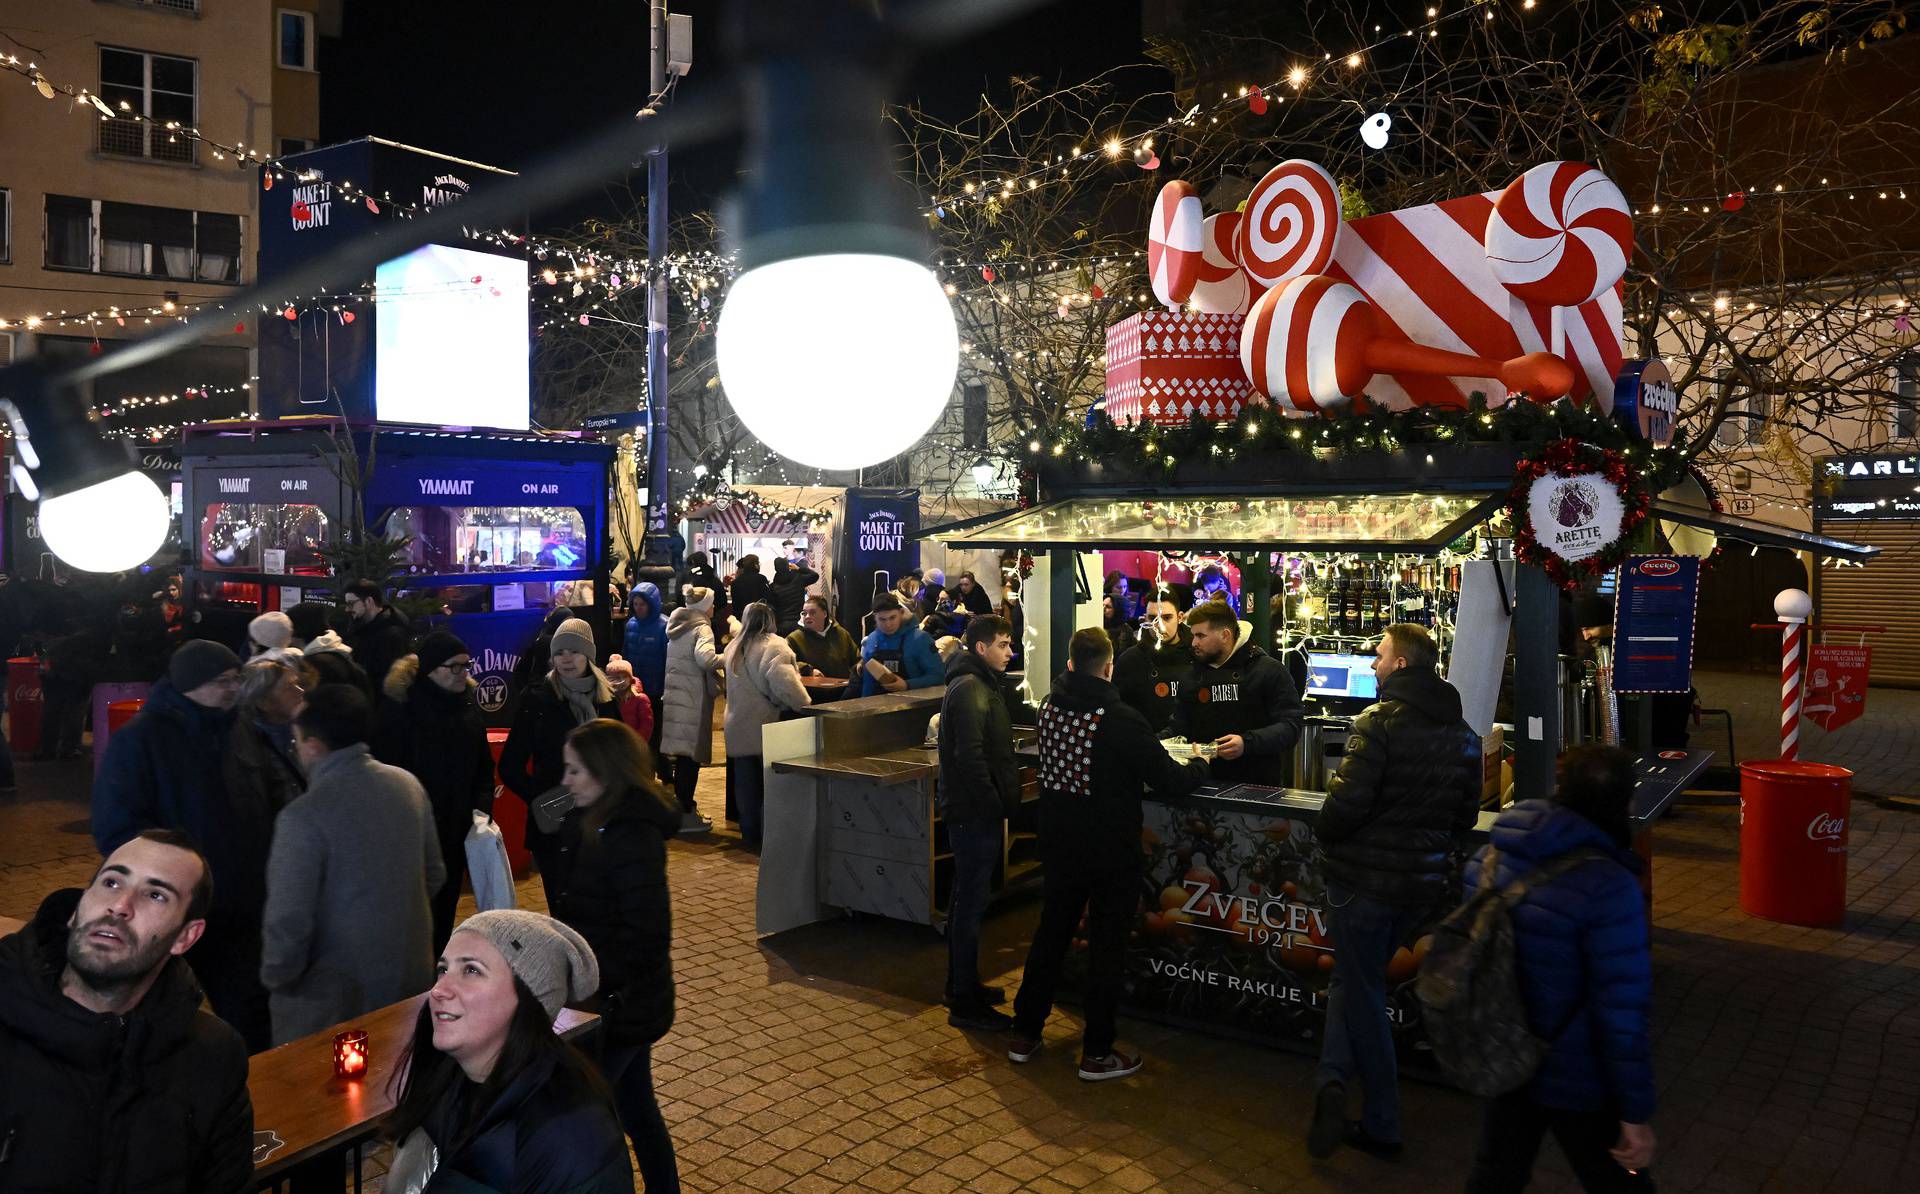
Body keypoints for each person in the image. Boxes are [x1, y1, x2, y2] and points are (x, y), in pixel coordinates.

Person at [1309, 623, 1482, 1161]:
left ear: (1402, 665)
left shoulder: (1377, 723)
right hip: (1418, 888)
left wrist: (1330, 833)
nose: (1373, 664)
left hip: (1362, 882)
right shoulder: (1465, 734)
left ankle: (1382, 1121)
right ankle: (1332, 1083)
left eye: (1380, 656)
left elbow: (1344, 807)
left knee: (1361, 995)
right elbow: (1464, 816)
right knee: (1356, 984)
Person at [0, 831, 254, 1193]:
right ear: (77, 909)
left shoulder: (211, 1056)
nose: (120, 905)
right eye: (112, 881)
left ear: (186, 936)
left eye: (155, 895)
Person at [1009, 628, 1209, 1080]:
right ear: (1109, 666)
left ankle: (1025, 1031)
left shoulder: (1049, 706)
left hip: (1059, 843)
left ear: (1069, 663)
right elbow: (1168, 779)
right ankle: (1097, 1051)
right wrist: (1200, 764)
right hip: (1108, 849)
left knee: (1050, 935)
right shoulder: (1119, 716)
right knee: (1106, 947)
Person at [1463, 746, 1656, 1193]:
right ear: (1622, 804)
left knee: (1496, 1173)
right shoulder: (1609, 887)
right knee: (1618, 1181)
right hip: (1576, 1071)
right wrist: (1635, 1112)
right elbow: (1622, 1012)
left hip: (1504, 1048)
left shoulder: (1488, 860)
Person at [92, 639, 275, 1050]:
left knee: (251, 1011)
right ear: (190, 685)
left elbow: (266, 795)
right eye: (223, 682)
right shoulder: (141, 739)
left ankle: (257, 1088)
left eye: (237, 679)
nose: (233, 689)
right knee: (160, 1011)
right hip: (172, 908)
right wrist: (166, 881)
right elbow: (115, 827)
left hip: (241, 903)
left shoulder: (240, 728)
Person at [381, 910, 633, 1193]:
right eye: (443, 969)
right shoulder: (446, 1080)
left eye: (472, 970)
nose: (439, 989)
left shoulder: (573, 1136)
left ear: (529, 1000)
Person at [261, 684, 444, 1044]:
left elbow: (289, 919)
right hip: (409, 975)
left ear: (313, 744)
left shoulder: (303, 817)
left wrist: (276, 976)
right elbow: (435, 873)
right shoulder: (407, 785)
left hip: (331, 998)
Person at [550, 721, 683, 1190]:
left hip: (622, 1005)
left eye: (574, 771)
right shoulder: (594, 816)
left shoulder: (630, 835)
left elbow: (647, 934)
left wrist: (596, 982)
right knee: (635, 1108)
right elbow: (542, 814)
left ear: (605, 774)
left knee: (590, 1117)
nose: (564, 781)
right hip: (611, 1000)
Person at [374, 631, 498, 956]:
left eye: (466, 666)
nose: (464, 673)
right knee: (416, 918)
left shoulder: (468, 707)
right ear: (431, 669)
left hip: (457, 831)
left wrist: (482, 810)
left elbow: (484, 766)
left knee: (445, 912)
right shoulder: (401, 712)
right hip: (415, 834)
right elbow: (389, 774)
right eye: (454, 667)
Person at [937, 614, 1023, 1030]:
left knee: (966, 902)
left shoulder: (979, 684)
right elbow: (970, 757)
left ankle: (961, 985)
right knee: (969, 906)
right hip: (973, 814)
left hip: (975, 811)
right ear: (982, 648)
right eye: (1004, 644)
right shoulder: (970, 688)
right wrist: (993, 804)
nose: (1011, 652)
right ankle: (965, 1002)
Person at [500, 618, 622, 900]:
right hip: (555, 827)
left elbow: (618, 758)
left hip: (599, 819)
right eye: (559, 652)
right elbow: (510, 765)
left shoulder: (606, 700)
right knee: (563, 905)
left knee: (599, 906)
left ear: (588, 655)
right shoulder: (537, 699)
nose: (566, 659)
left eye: (574, 651)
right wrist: (541, 798)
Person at [1169, 600, 1302, 786]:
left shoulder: (1269, 670)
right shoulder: (1191, 676)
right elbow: (1179, 728)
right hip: (1201, 783)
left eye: (1201, 636)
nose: (1194, 643)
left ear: (1225, 635)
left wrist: (1246, 743)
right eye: (1193, 636)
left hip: (1257, 786)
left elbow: (1291, 726)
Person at [722, 602, 813, 846]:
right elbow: (785, 684)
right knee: (768, 785)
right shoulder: (775, 646)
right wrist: (804, 703)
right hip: (766, 724)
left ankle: (749, 832)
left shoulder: (734, 647)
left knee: (745, 785)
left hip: (737, 723)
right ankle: (767, 837)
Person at [657, 586, 723, 836]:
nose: (714, 607)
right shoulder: (702, 627)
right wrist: (729, 656)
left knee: (683, 758)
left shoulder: (677, 626)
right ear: (705, 606)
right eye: (712, 603)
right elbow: (705, 659)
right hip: (693, 700)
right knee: (690, 760)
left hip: (676, 697)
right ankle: (685, 812)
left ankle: (682, 808)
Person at [223, 653, 310, 826]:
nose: (301, 691)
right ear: (263, 702)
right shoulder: (249, 748)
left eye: (297, 684)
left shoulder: (304, 730)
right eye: (289, 687)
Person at [1112, 590, 1193, 733]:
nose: (1159, 625)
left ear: (1180, 617)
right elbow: (1119, 714)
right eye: (1153, 618)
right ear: (1145, 620)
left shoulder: (1198, 655)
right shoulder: (1130, 660)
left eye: (1166, 618)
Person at [856, 592, 944, 697]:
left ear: (901, 613)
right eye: (882, 619)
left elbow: (938, 676)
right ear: (875, 617)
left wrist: (907, 685)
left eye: (892, 617)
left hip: (916, 705)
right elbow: (868, 683)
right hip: (879, 706)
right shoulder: (871, 640)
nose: (888, 624)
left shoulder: (920, 639)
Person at [622, 581, 669, 748]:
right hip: (635, 688)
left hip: (656, 689)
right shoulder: (630, 625)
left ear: (652, 604)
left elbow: (668, 659)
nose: (638, 608)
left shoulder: (664, 626)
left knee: (654, 728)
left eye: (642, 604)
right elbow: (626, 654)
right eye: (635, 604)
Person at [342, 580, 412, 690]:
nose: (347, 609)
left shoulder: (392, 636)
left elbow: (388, 682)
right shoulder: (363, 629)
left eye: (351, 604)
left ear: (369, 601)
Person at [788, 594, 858, 684]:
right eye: (804, 613)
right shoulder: (794, 638)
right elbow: (785, 662)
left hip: (842, 688)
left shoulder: (841, 633)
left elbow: (857, 659)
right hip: (813, 692)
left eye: (812, 612)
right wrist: (808, 670)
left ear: (824, 614)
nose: (807, 616)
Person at [603, 654, 656, 740]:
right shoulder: (608, 699)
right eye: (616, 678)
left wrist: (638, 741)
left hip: (634, 742)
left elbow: (646, 724)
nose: (621, 681)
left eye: (624, 677)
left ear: (631, 679)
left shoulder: (640, 699)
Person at [766, 556, 821, 636]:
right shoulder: (798, 579)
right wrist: (798, 569)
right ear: (787, 566)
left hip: (782, 624)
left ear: (776, 568)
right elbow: (815, 575)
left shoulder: (773, 587)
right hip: (799, 622)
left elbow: (772, 606)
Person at [681, 551, 728, 625]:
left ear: (693, 563)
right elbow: (723, 602)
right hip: (712, 621)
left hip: (690, 620)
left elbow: (680, 599)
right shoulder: (714, 579)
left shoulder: (688, 579)